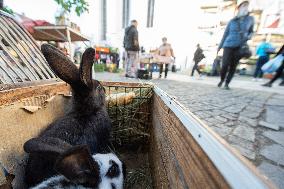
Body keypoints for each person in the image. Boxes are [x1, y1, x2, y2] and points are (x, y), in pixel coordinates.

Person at [217, 0, 254, 90]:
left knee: (233, 66)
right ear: (239, 8)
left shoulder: (250, 19)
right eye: (243, 5)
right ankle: (222, 79)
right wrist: (219, 47)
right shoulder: (232, 21)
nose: (245, 7)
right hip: (228, 44)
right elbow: (225, 34)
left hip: (240, 46)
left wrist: (248, 37)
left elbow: (251, 32)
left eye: (247, 6)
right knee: (225, 65)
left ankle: (227, 83)